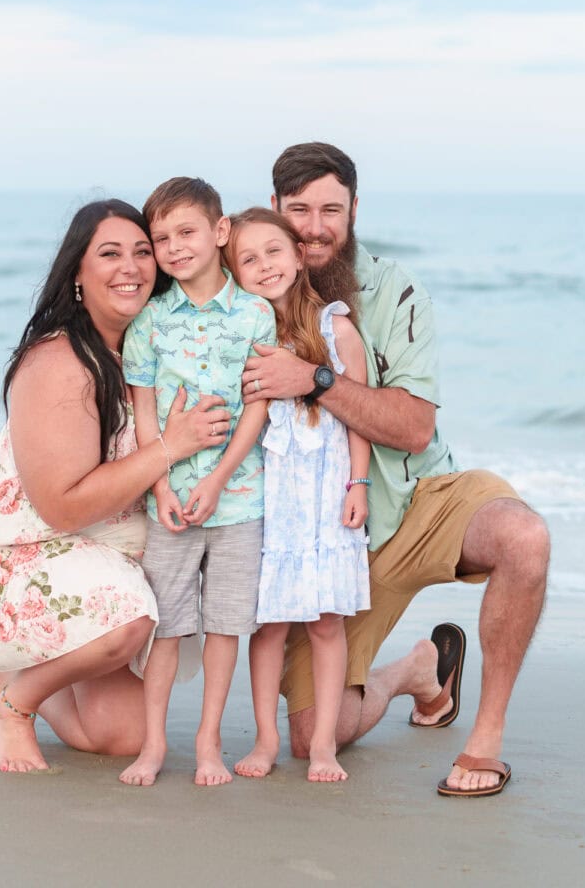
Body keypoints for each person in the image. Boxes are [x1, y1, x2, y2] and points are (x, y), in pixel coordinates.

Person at [240, 143, 551, 798]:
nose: (316, 226)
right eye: (299, 210)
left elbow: (413, 426)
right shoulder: (246, 291)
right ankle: (419, 670)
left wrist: (315, 379)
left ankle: (486, 739)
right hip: (327, 536)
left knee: (524, 538)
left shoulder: (396, 290)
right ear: (274, 210)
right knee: (311, 737)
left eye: (332, 208)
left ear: (355, 209)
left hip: (417, 495)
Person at [0, 198, 229, 774]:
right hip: (29, 555)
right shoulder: (59, 362)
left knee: (119, 737)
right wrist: (172, 446)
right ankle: (14, 708)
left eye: (143, 252)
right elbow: (62, 508)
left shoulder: (154, 348)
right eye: (110, 254)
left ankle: (10, 676)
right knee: (128, 619)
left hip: (106, 554)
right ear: (77, 275)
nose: (132, 267)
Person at [117, 178, 274, 787]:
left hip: (239, 502)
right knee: (169, 624)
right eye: (161, 239)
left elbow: (257, 407)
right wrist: (160, 486)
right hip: (171, 503)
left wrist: (222, 478)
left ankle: (208, 740)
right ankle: (155, 742)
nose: (174, 247)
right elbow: (145, 410)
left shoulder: (256, 314)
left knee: (226, 624)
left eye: (186, 232)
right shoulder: (152, 322)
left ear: (220, 232)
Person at [223, 207, 371, 783]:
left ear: (296, 251)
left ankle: (325, 746)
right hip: (271, 500)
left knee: (328, 623)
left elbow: (360, 414)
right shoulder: (245, 336)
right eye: (248, 259)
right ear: (233, 272)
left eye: (273, 251)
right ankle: (265, 739)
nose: (264, 266)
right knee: (269, 626)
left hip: (328, 496)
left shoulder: (337, 328)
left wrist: (358, 482)